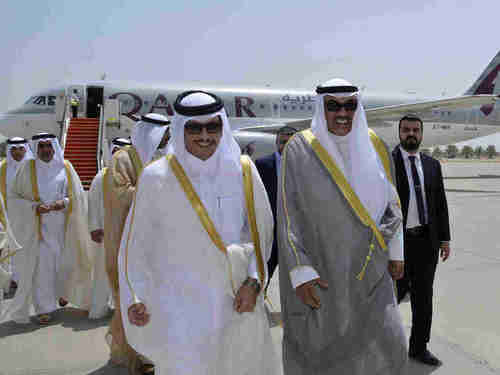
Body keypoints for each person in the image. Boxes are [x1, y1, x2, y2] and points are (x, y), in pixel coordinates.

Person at [119, 91, 278, 374]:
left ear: (222, 127)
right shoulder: (156, 177)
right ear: (181, 129)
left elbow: (260, 233)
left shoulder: (243, 170)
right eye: (195, 128)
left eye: (212, 126)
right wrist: (136, 296)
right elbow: (136, 244)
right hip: (180, 307)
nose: (205, 135)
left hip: (237, 301)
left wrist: (254, 282)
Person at [278, 79, 407, 374]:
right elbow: (288, 212)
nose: (342, 113)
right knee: (329, 350)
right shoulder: (299, 148)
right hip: (324, 268)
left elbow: (393, 204)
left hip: (372, 266)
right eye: (333, 106)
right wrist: (300, 270)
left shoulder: (375, 144)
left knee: (387, 344)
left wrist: (396, 251)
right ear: (320, 107)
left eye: (349, 105)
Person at [1, 133, 91, 325]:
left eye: (48, 146)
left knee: (64, 264)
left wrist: (64, 203)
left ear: (54, 147)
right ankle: (44, 308)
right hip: (38, 230)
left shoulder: (66, 167)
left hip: (64, 229)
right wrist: (34, 207)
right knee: (42, 269)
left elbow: (79, 195)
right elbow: (13, 198)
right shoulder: (28, 168)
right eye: (41, 147)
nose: (45, 150)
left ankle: (64, 293)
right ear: (36, 149)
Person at [103, 114, 170, 372]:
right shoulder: (123, 158)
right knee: (134, 297)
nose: (167, 138)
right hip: (129, 239)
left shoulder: (166, 156)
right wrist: (154, 190)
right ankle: (137, 355)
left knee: (158, 297)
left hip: (160, 242)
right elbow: (118, 194)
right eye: (163, 133)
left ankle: (154, 353)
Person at [393, 115, 451, 366]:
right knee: (387, 299)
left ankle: (418, 348)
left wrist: (445, 239)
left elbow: (440, 205)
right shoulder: (387, 163)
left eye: (415, 130)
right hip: (397, 244)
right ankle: (375, 344)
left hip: (426, 243)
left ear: (422, 134)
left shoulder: (432, 165)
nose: (411, 134)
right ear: (399, 133)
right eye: (406, 130)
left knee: (423, 299)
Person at [87, 137, 131, 320]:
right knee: (103, 271)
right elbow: (93, 203)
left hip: (127, 232)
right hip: (106, 233)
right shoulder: (102, 176)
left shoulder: (132, 175)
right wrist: (95, 227)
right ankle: (99, 308)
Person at [255, 125, 297, 286]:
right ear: (276, 143)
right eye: (282, 142)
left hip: (295, 232)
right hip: (270, 232)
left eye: (290, 142)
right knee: (263, 275)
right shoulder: (262, 164)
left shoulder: (307, 165)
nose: (285, 146)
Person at [0, 137, 34, 294]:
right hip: (9, 216)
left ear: (26, 149)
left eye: (20, 148)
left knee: (29, 247)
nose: (17, 152)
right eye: (13, 149)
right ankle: (14, 279)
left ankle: (31, 278)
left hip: (31, 215)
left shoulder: (33, 166)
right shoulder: (3, 168)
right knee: (12, 248)